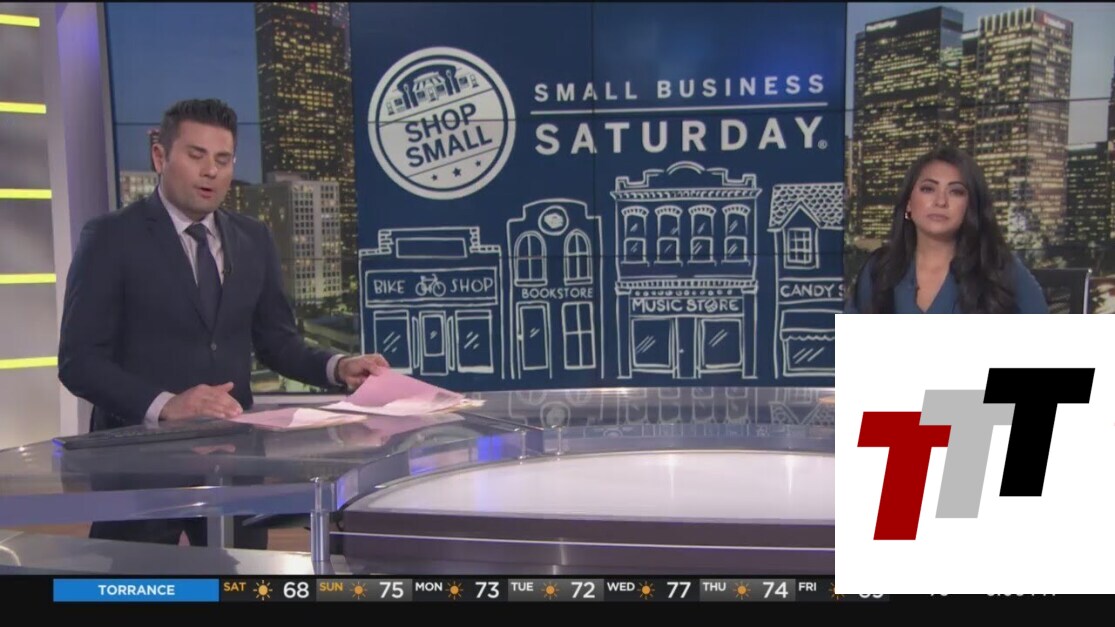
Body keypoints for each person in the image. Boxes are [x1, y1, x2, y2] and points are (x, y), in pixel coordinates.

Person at [58, 98, 389, 548]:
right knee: (136, 582)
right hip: (138, 465)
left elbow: (277, 341)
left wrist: (338, 366)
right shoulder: (111, 237)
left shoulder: (253, 237)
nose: (211, 171)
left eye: (223, 159)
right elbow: (79, 361)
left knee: (241, 580)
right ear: (160, 156)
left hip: (235, 463)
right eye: (196, 156)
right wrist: (166, 404)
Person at [845, 146, 1048, 314]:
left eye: (956, 192)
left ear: (970, 206)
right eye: (928, 189)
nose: (940, 201)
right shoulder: (879, 270)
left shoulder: (1000, 270)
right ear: (908, 203)